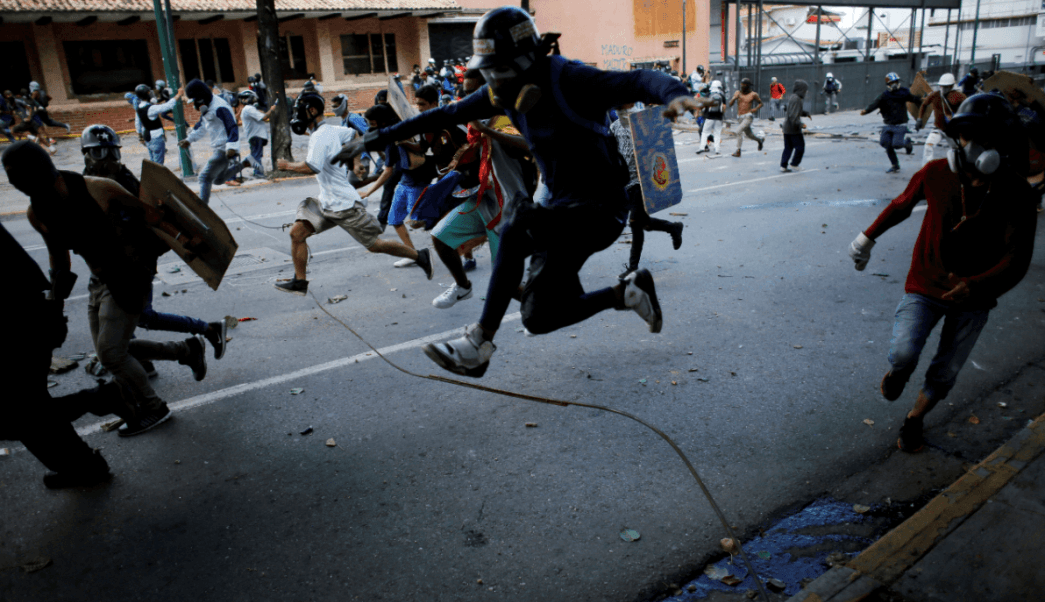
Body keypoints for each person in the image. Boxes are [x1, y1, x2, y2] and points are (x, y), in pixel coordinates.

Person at [332, 6, 700, 377]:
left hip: (601, 211)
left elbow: (639, 80)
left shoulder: (571, 80)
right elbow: (445, 114)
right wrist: (375, 138)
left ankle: (479, 343)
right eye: (489, 72)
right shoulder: (501, 94)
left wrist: (676, 94)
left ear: (529, 61)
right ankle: (628, 293)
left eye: (502, 71)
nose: (496, 82)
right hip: (563, 210)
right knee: (540, 317)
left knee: (517, 220)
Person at [848, 93, 1036, 453]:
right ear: (957, 138)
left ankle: (914, 419)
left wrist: (976, 285)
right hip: (924, 284)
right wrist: (866, 238)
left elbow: (1017, 258)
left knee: (946, 371)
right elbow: (902, 205)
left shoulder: (1016, 194)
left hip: (974, 298)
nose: (978, 146)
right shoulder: (935, 174)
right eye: (970, 135)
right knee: (904, 353)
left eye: (990, 138)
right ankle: (899, 373)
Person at [4, 141, 209, 437]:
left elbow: (151, 215)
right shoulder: (37, 213)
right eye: (12, 178)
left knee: (112, 354)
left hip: (131, 273)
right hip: (99, 281)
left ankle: (153, 408)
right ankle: (186, 350)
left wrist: (186, 239)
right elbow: (59, 260)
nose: (18, 184)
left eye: (20, 175)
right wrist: (54, 309)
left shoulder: (98, 188)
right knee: (110, 352)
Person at [0, 220, 142, 488]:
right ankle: (84, 461)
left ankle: (96, 416)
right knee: (27, 407)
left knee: (20, 412)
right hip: (25, 315)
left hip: (14, 324)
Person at [79, 124, 230, 366]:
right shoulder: (86, 184)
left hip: (136, 263)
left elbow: (153, 217)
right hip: (109, 265)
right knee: (128, 322)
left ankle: (204, 333)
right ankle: (141, 359)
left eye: (111, 153)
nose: (107, 161)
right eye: (99, 154)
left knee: (141, 317)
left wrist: (180, 238)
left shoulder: (123, 182)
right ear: (86, 155)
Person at [273, 92, 434, 296]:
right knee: (297, 233)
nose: (297, 116)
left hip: (344, 205)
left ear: (312, 111)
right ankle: (300, 282)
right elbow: (353, 136)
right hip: (327, 202)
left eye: (299, 111)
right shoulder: (331, 130)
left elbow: (311, 167)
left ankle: (419, 256)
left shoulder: (319, 136)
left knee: (375, 245)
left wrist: (287, 165)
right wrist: (356, 163)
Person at [358, 94, 439, 267]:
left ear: (382, 122)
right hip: (405, 181)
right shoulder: (397, 132)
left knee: (419, 221)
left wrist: (368, 192)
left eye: (373, 124)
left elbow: (388, 171)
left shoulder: (396, 135)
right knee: (394, 219)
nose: (371, 129)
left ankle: (454, 237)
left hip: (418, 182)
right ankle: (413, 255)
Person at [612, 105, 684, 278]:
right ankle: (673, 228)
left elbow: (659, 147)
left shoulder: (643, 124)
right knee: (643, 223)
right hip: (626, 181)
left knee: (635, 222)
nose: (621, 110)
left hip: (642, 180)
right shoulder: (614, 126)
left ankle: (633, 267)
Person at [180, 78, 246, 203]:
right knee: (218, 180)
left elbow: (232, 127)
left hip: (223, 149)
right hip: (218, 147)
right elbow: (201, 126)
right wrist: (189, 140)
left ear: (200, 99)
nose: (194, 105)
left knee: (204, 177)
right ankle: (245, 163)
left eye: (194, 101)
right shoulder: (208, 108)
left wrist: (231, 147)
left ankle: (201, 208)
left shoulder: (219, 107)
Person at [861, 72, 920, 174]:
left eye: (896, 82)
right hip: (888, 125)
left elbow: (914, 99)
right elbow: (875, 104)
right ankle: (895, 165)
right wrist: (866, 110)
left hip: (901, 124)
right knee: (886, 143)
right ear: (888, 84)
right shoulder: (884, 95)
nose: (894, 84)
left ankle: (907, 144)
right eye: (892, 82)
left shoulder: (903, 93)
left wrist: (923, 102)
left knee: (896, 144)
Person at [917, 73, 965, 167]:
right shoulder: (935, 95)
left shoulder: (958, 96)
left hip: (952, 130)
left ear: (951, 86)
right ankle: (927, 168)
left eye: (946, 86)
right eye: (942, 86)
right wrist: (919, 118)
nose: (943, 88)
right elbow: (924, 105)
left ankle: (959, 167)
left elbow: (967, 106)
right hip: (938, 128)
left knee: (958, 149)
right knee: (928, 145)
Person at [134, 83, 184, 166]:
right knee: (158, 164)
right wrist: (178, 95)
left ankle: (153, 177)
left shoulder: (139, 107)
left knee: (153, 161)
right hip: (155, 137)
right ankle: (157, 178)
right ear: (146, 94)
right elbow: (167, 106)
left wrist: (140, 136)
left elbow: (137, 122)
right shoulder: (151, 108)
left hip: (147, 135)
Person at [237, 89, 277, 178]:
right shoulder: (249, 109)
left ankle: (238, 168)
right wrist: (271, 110)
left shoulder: (247, 109)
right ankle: (258, 173)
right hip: (256, 136)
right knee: (256, 155)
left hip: (254, 136)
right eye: (253, 98)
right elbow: (263, 117)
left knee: (254, 155)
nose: (255, 100)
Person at [728, 77, 765, 157]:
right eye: (741, 84)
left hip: (748, 116)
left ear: (748, 86)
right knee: (749, 135)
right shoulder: (738, 93)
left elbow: (761, 103)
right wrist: (734, 98)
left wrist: (755, 109)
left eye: (744, 84)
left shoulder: (753, 94)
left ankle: (738, 151)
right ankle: (760, 140)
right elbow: (730, 104)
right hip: (740, 117)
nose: (742, 86)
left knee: (738, 131)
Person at [780, 79, 811, 172]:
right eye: (805, 90)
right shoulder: (796, 99)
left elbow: (795, 111)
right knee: (800, 147)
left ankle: (783, 166)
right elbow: (793, 115)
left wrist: (805, 113)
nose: (806, 92)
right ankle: (794, 164)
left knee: (788, 148)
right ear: (801, 90)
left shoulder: (793, 97)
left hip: (787, 128)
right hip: (793, 128)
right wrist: (801, 124)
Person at [697, 80, 726, 154]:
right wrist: (721, 115)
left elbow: (703, 104)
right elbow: (724, 107)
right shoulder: (722, 95)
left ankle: (702, 147)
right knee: (717, 133)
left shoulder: (709, 94)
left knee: (705, 132)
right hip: (719, 117)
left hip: (709, 116)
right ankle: (717, 150)